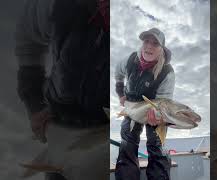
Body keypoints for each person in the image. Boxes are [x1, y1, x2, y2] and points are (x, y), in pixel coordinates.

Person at [15, 0, 109, 179]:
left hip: (105, 140)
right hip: (59, 128)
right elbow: (27, 37)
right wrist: (34, 102)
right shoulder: (52, 4)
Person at [114, 27, 175, 180]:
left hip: (154, 109)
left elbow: (164, 101)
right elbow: (118, 73)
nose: (149, 46)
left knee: (156, 145)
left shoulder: (167, 72)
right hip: (132, 107)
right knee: (127, 143)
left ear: (161, 49)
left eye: (155, 43)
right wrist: (121, 94)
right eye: (146, 41)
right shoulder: (129, 60)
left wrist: (158, 118)